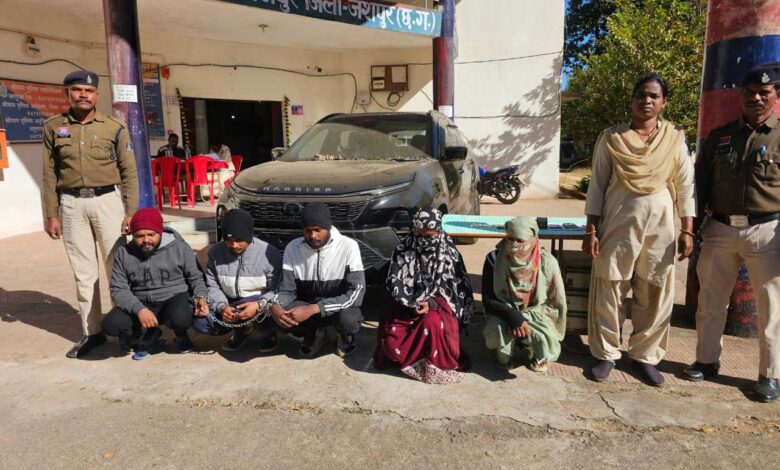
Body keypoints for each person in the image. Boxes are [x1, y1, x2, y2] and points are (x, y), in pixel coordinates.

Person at [583, 73, 695, 386]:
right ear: (632, 100)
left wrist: (687, 230)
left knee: (655, 290)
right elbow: (597, 185)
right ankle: (606, 354)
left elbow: (686, 186)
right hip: (617, 223)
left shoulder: (674, 140)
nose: (646, 100)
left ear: (664, 102)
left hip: (660, 229)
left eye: (654, 96)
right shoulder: (612, 138)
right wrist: (591, 231)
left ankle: (645, 357)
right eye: (641, 95)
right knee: (610, 287)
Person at [687, 62, 780, 403]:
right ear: (741, 96)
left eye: (764, 93)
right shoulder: (720, 136)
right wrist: (694, 227)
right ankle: (706, 360)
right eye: (749, 92)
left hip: (767, 230)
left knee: (771, 308)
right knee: (711, 301)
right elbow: (701, 184)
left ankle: (769, 375)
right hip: (721, 228)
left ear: (776, 96)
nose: (756, 98)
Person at [42, 70, 139, 358]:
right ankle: (92, 332)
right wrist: (51, 213)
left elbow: (129, 173)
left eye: (89, 90)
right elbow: (49, 173)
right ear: (68, 93)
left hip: (107, 201)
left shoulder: (114, 128)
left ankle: (125, 329)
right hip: (72, 205)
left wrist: (131, 212)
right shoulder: (53, 127)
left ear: (97, 95)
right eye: (77, 90)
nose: (83, 95)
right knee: (83, 273)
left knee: (116, 267)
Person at [374, 208, 474, 384]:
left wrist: (432, 303)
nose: (424, 241)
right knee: (390, 345)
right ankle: (412, 356)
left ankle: (431, 360)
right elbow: (396, 286)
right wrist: (411, 303)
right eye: (420, 235)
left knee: (431, 322)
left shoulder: (450, 255)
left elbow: (457, 294)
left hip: (439, 309)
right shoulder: (403, 250)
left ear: (438, 231)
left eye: (429, 236)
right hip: (406, 308)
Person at [102, 208, 209, 359]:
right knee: (111, 325)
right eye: (139, 236)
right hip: (141, 301)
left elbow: (196, 277)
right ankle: (149, 334)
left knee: (182, 318)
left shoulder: (179, 247)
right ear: (132, 235)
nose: (146, 240)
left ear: (160, 232)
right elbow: (118, 288)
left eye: (151, 234)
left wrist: (200, 296)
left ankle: (180, 334)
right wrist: (139, 309)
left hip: (174, 297)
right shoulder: (123, 253)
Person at [269, 203, 365, 357]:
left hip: (337, 306)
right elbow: (287, 290)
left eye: (317, 230)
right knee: (276, 317)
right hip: (307, 302)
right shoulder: (292, 248)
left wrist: (314, 309)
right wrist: (276, 306)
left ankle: (343, 334)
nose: (313, 235)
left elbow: (356, 294)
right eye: (307, 231)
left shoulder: (348, 246)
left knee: (349, 320)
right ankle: (314, 334)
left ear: (328, 227)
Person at [482, 216, 567, 372]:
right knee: (495, 331)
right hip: (504, 311)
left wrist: (524, 318)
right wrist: (513, 316)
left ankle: (534, 350)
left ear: (533, 239)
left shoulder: (547, 263)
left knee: (542, 338)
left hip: (537, 313)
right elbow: (488, 300)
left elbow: (555, 303)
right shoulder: (494, 259)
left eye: (520, 241)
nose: (514, 244)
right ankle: (505, 353)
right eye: (510, 239)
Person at [193, 209, 282, 352]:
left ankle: (268, 332)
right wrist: (222, 307)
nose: (234, 245)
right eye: (229, 240)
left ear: (249, 236)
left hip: (258, 302)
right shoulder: (215, 253)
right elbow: (212, 285)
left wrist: (259, 304)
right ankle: (241, 330)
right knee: (202, 323)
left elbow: (277, 288)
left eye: (239, 240)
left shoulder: (269, 253)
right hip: (230, 301)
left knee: (274, 310)